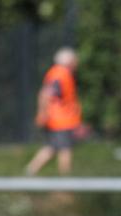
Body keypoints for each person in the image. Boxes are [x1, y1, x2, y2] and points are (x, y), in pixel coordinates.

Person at [26, 47, 82, 175]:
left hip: (59, 119)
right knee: (65, 149)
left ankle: (30, 171)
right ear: (69, 61)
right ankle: (65, 179)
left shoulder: (59, 73)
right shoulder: (60, 74)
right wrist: (42, 113)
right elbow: (45, 94)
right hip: (60, 119)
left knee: (52, 147)